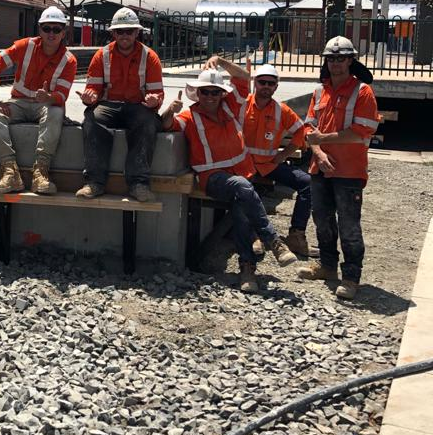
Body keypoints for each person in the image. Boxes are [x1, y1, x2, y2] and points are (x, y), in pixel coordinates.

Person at [162, 68, 297, 293]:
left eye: (216, 93)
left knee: (241, 204)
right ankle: (272, 240)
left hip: (241, 175)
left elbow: (244, 77)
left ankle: (247, 269)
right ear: (197, 93)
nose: (211, 97)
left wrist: (221, 62)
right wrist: (169, 110)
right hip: (213, 178)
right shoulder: (189, 116)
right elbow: (166, 126)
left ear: (222, 95)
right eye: (205, 92)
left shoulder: (231, 108)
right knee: (243, 188)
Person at [298, 36, 379, 300]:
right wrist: (319, 153)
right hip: (320, 168)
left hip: (349, 171)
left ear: (351, 60)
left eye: (341, 58)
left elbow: (360, 132)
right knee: (322, 221)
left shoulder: (362, 92)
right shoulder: (320, 91)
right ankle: (328, 266)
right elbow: (309, 128)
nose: (336, 64)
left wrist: (322, 140)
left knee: (349, 226)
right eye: (331, 59)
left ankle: (351, 277)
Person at [206, 56, 311, 257]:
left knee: (307, 183)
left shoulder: (282, 110)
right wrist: (219, 61)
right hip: (241, 165)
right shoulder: (242, 104)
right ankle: (252, 236)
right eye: (262, 82)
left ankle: (296, 235)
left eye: (270, 84)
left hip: (268, 165)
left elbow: (301, 132)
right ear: (255, 83)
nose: (266, 86)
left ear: (276, 87)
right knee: (245, 193)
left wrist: (284, 154)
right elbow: (239, 77)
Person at [0, 5, 77, 194]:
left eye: (56, 29)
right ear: (40, 29)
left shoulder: (69, 60)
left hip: (45, 105)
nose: (51, 33)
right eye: (47, 28)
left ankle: (40, 171)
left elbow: (61, 96)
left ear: (63, 32)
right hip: (18, 102)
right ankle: (10, 172)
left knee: (56, 113)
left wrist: (48, 97)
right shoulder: (24, 46)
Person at [76, 8, 163, 203]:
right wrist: (89, 98)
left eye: (129, 31)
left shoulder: (150, 57)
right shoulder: (102, 55)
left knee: (148, 122)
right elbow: (93, 89)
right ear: (113, 33)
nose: (125, 35)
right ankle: (94, 182)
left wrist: (154, 101)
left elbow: (157, 93)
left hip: (137, 106)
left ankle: (139, 184)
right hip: (109, 105)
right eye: (120, 31)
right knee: (92, 119)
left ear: (137, 33)